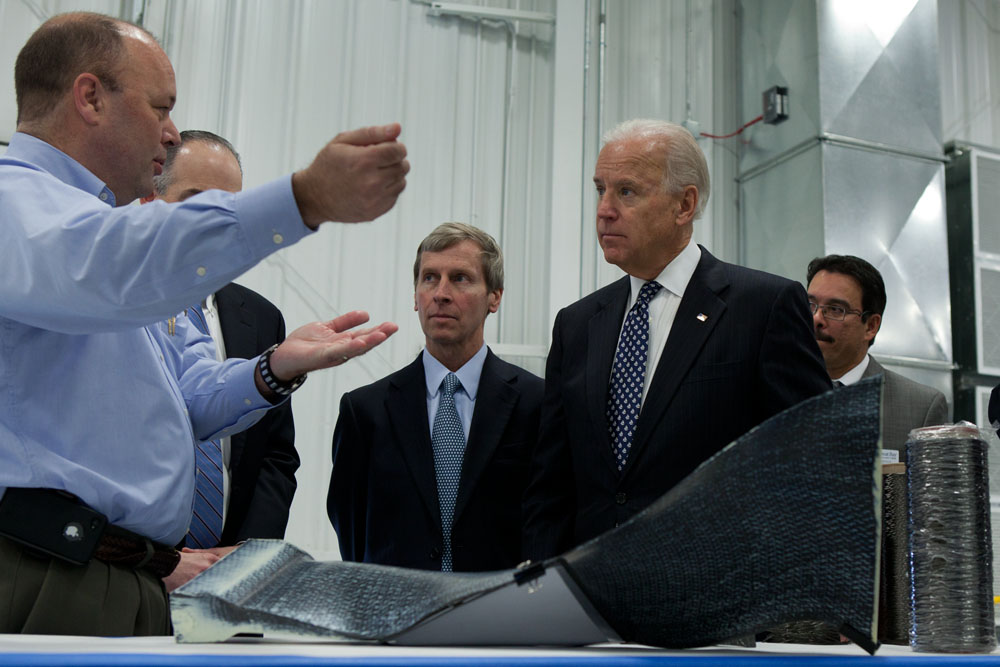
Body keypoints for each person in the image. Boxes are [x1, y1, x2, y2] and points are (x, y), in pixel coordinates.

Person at [0, 12, 407, 635]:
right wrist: (303, 200)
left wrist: (273, 368)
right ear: (89, 98)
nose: (169, 133)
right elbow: (112, 264)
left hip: (122, 575)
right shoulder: (18, 207)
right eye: (160, 107)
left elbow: (182, 400)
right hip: (49, 572)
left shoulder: (96, 235)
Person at [521, 119, 831, 562]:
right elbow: (551, 482)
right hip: (588, 602)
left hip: (713, 600)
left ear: (684, 205)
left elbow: (809, 464)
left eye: (626, 191)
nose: (604, 210)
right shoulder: (577, 325)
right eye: (600, 190)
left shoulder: (763, 308)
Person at [328, 223, 543, 572]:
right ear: (415, 296)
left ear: (495, 297)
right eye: (430, 278)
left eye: (460, 278)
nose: (440, 293)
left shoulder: (536, 404)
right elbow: (351, 531)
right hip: (398, 616)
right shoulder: (364, 411)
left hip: (501, 615)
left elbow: (547, 520)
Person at [144, 130, 298, 547]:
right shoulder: (121, 303)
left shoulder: (263, 319)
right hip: (128, 564)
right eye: (194, 201)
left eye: (227, 208)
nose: (211, 222)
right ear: (152, 200)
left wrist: (244, 554)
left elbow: (275, 456)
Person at [806, 254, 948, 459]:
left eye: (835, 310)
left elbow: (929, 490)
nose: (817, 318)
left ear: (871, 326)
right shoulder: (775, 391)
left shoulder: (920, 407)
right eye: (810, 305)